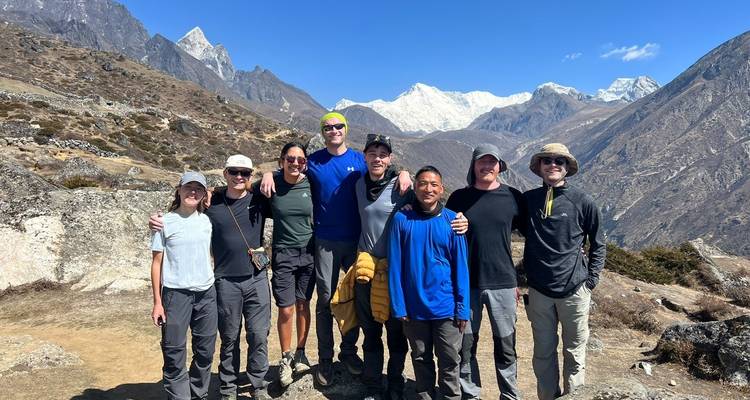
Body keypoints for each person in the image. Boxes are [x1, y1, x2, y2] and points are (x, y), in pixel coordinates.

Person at [259, 112, 412, 386]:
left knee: (352, 298)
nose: (334, 130)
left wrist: (404, 172)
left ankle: (349, 352)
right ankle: (326, 359)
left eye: (338, 125)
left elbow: (382, 171)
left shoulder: (359, 160)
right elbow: (289, 167)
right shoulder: (313, 161)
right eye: (328, 127)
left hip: (356, 242)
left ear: (346, 129)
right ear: (323, 131)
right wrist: (267, 172)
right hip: (325, 241)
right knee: (327, 301)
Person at [151, 155, 271, 400]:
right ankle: (227, 388)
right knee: (228, 338)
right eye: (234, 172)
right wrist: (156, 219)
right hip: (223, 282)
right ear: (225, 173)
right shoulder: (210, 205)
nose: (240, 177)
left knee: (258, 334)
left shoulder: (259, 199)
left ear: (251, 176)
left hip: (255, 279)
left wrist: (269, 174)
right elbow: (186, 206)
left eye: (245, 173)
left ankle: (257, 385)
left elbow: (286, 184)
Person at [523, 143, 606, 400]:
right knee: (543, 354)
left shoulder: (583, 201)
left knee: (575, 353)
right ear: (539, 167)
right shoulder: (527, 201)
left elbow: (598, 242)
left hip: (574, 290)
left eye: (559, 161)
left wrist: (590, 280)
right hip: (539, 291)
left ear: (567, 167)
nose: (553, 165)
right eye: (547, 160)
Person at [446, 143, 526, 400]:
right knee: (466, 345)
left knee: (506, 345)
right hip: (466, 284)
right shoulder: (459, 198)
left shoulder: (513, 197)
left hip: (503, 282)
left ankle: (510, 395)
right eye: (482, 161)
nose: (487, 166)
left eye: (492, 161)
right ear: (473, 165)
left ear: (500, 166)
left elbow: (534, 234)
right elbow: (439, 229)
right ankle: (471, 395)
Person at [389, 166, 470, 400]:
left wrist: (462, 307)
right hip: (414, 309)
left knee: (449, 362)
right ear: (415, 188)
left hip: (446, 308)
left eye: (434, 184)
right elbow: (395, 265)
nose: (428, 189)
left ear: (442, 189)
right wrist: (399, 305)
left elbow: (461, 269)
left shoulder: (453, 222)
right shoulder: (402, 219)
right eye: (423, 183)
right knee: (420, 360)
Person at [352, 134, 412, 400]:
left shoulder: (401, 187)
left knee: (396, 332)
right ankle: (373, 386)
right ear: (364, 156)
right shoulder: (357, 185)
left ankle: (396, 384)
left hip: (395, 272)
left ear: (390, 159)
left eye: (383, 154)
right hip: (366, 271)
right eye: (372, 153)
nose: (377, 158)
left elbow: (429, 204)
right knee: (371, 331)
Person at [150, 171, 217, 400]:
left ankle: (199, 393)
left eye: (198, 188)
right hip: (176, 295)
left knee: (206, 350)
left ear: (204, 193)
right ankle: (179, 396)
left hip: (207, 294)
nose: (192, 192)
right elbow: (156, 263)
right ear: (178, 190)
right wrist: (157, 302)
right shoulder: (164, 222)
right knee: (174, 351)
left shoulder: (208, 220)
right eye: (188, 187)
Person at [253, 142, 315, 388]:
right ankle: (286, 356)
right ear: (282, 161)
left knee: (303, 304)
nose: (296, 163)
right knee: (286, 309)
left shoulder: (312, 184)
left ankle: (301, 352)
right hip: (283, 254)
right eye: (291, 159)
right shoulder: (271, 183)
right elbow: (241, 188)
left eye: (300, 160)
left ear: (305, 163)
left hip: (309, 252)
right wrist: (267, 173)